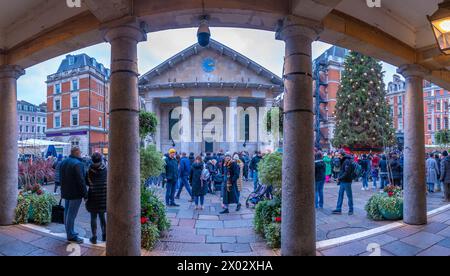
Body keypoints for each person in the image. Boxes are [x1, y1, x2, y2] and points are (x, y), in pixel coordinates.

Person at [60, 147, 87, 244]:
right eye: (80, 152)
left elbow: (60, 177)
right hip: (75, 194)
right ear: (76, 152)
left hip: (66, 192)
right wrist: (85, 194)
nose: (81, 153)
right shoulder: (78, 164)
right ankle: (71, 235)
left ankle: (69, 231)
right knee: (72, 214)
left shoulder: (64, 162)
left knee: (67, 213)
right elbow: (81, 180)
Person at [85, 152, 107, 244]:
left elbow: (87, 182)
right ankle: (104, 236)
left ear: (92, 160)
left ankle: (94, 237)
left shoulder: (89, 170)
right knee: (102, 217)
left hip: (93, 196)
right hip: (103, 196)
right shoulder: (105, 169)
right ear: (101, 159)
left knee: (93, 217)